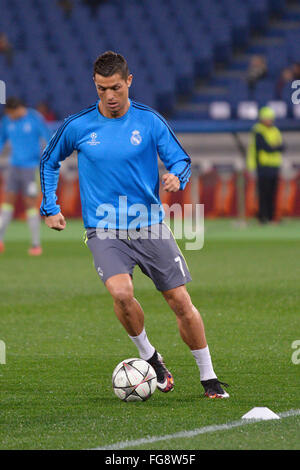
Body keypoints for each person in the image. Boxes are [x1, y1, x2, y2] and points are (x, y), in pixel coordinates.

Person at [40, 51, 229, 399]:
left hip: (150, 224)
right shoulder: (78, 126)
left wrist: (176, 177)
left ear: (129, 81)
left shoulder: (149, 121)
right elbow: (49, 161)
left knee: (179, 300)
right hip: (104, 228)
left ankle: (209, 377)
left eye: (115, 88)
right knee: (121, 293)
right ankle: (150, 358)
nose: (109, 96)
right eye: (101, 90)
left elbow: (180, 159)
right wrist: (49, 206)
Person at [0, 97, 51, 254]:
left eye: (11, 113)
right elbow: (1, 140)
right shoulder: (7, 121)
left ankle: (36, 244)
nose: (10, 116)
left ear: (18, 109)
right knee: (7, 202)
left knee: (30, 204)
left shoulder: (34, 118)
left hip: (30, 168)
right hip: (14, 167)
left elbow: (48, 137)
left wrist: (50, 158)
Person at [247, 106, 284, 224]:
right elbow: (265, 147)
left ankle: (272, 217)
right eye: (267, 118)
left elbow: (282, 146)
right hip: (263, 167)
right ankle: (262, 217)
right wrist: (275, 147)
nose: (270, 120)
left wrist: (274, 147)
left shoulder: (275, 130)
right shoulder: (258, 130)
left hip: (274, 166)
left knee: (273, 192)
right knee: (263, 192)